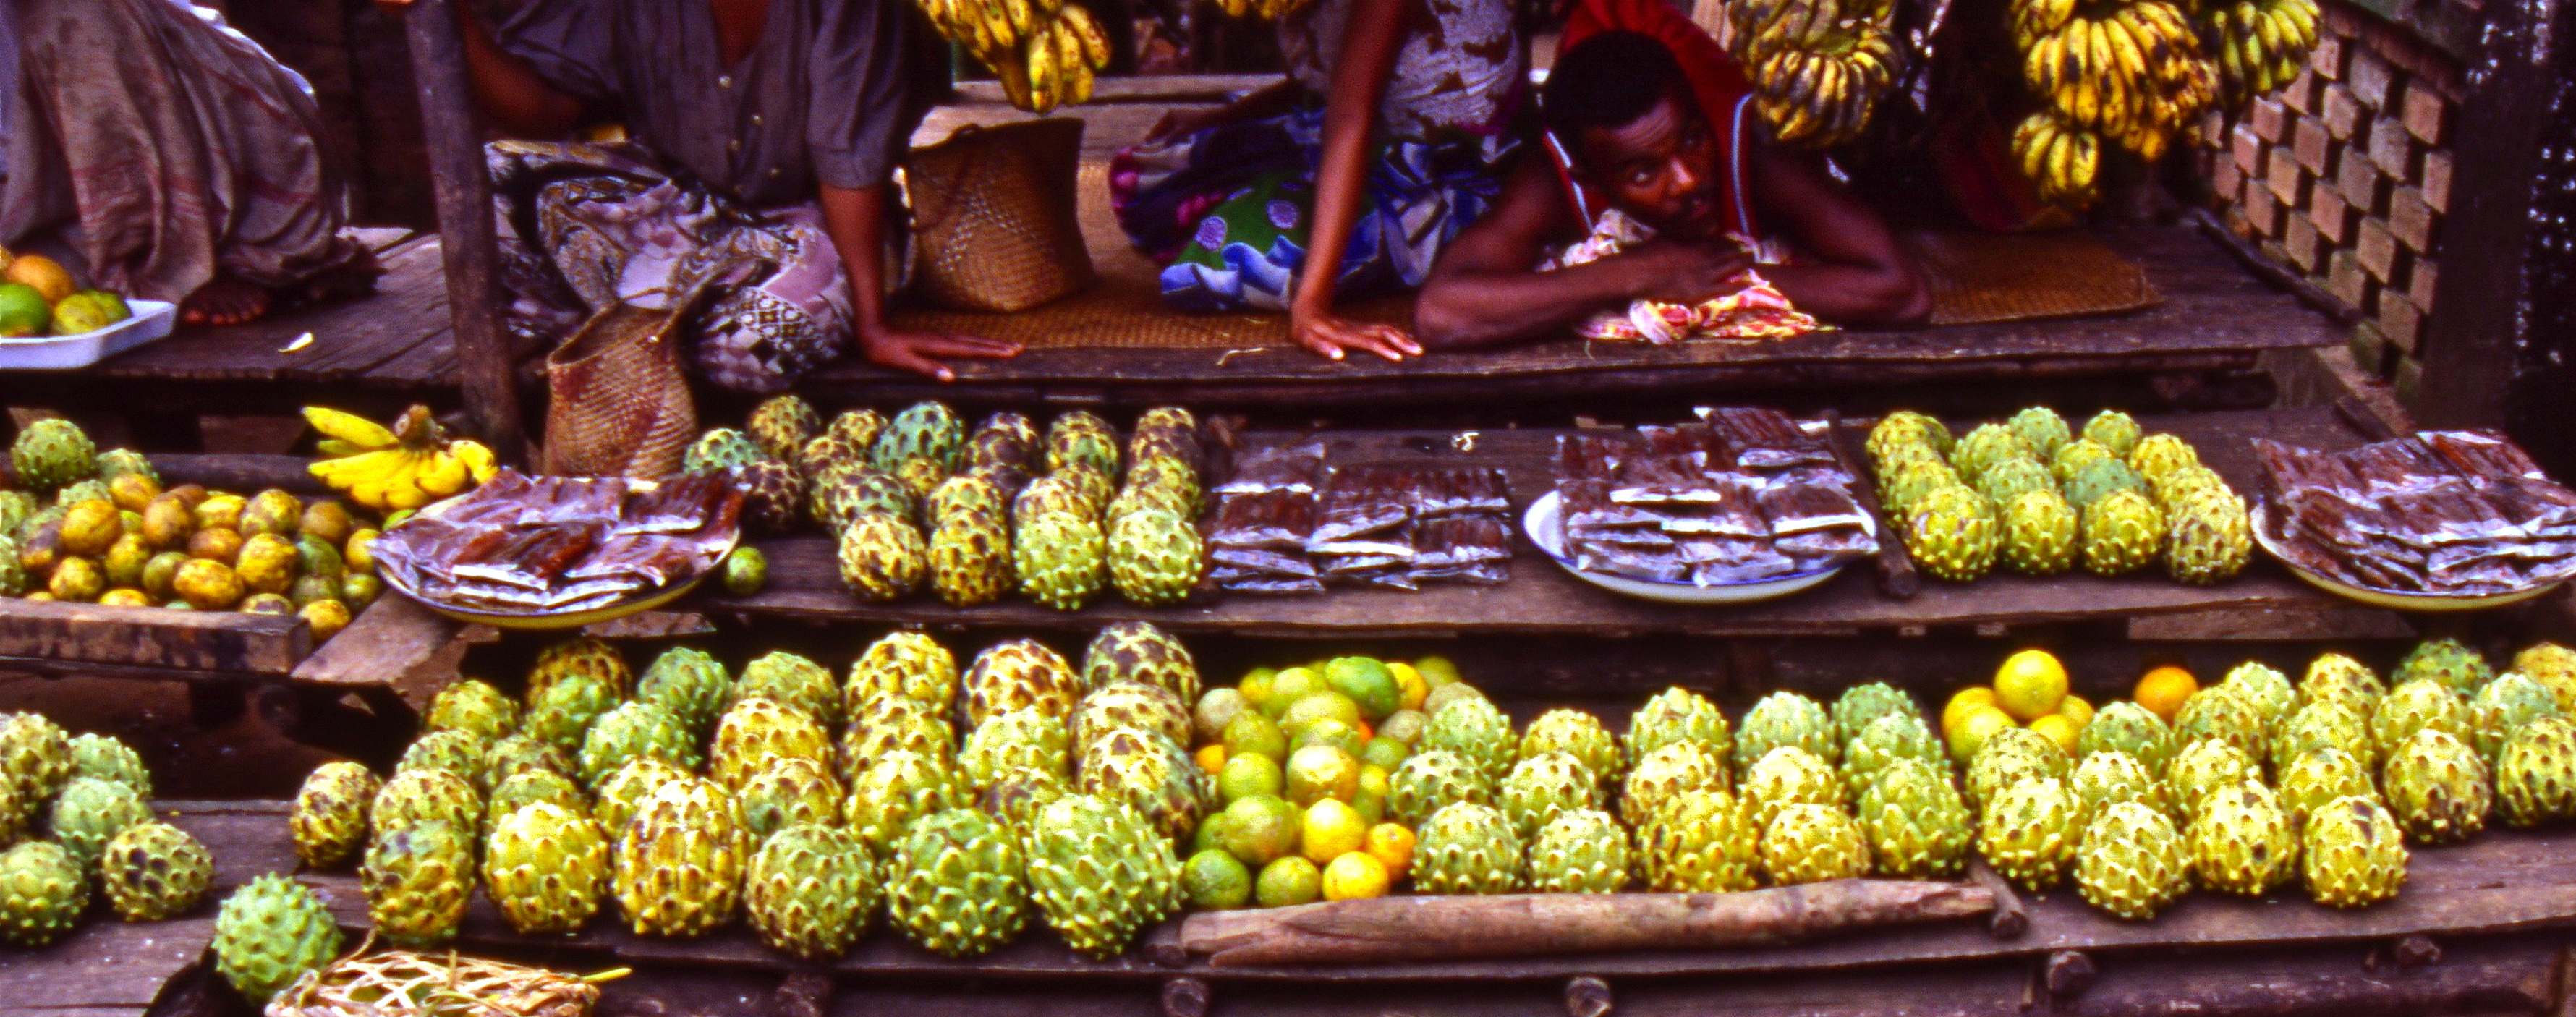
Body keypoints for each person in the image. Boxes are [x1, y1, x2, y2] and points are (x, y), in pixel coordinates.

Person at [380, 0, 1024, 391]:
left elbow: (847, 154)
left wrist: (874, 324)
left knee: (766, 340)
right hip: (682, 220)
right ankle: (656, 330)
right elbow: (545, 111)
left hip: (812, 231)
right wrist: (454, 21)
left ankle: (623, 333)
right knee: (497, 173)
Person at [1413, 20, 1927, 349]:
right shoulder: (1553, 179)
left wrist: (1723, 280)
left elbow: (1901, 293)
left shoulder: (1749, 149)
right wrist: (1636, 273)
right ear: (1589, 177)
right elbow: (1444, 313)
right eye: (1644, 173)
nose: (1687, 180)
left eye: (1691, 140)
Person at [1111, 0, 1526, 362]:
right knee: (1150, 178)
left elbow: (1350, 118)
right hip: (1367, 136)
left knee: (1235, 249)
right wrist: (1220, 119)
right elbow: (1325, 79)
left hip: (1450, 176)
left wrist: (1313, 305)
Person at [0, 0, 375, 326]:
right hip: (48, 185)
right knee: (37, 273)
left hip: (185, 125)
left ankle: (177, 261)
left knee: (75, 17)